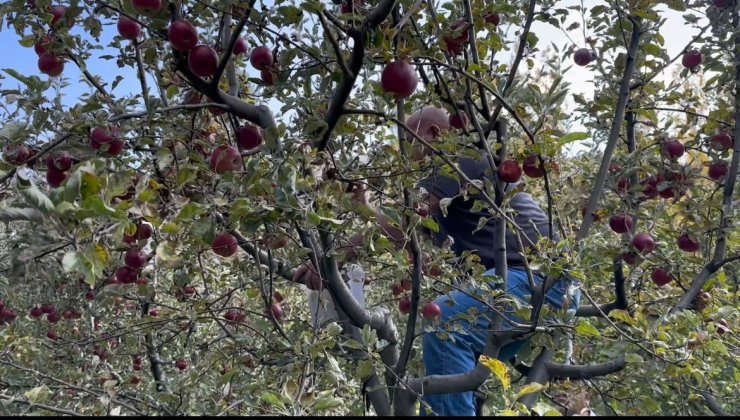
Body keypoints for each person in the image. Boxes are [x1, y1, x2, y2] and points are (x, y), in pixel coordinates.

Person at [293, 106, 581, 416]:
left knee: (444, 323)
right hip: (546, 295)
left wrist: (326, 261)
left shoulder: (454, 163)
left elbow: (404, 222)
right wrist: (365, 207)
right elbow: (402, 233)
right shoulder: (452, 194)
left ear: (432, 134)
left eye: (408, 141)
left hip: (538, 280)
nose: (406, 155)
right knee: (448, 370)